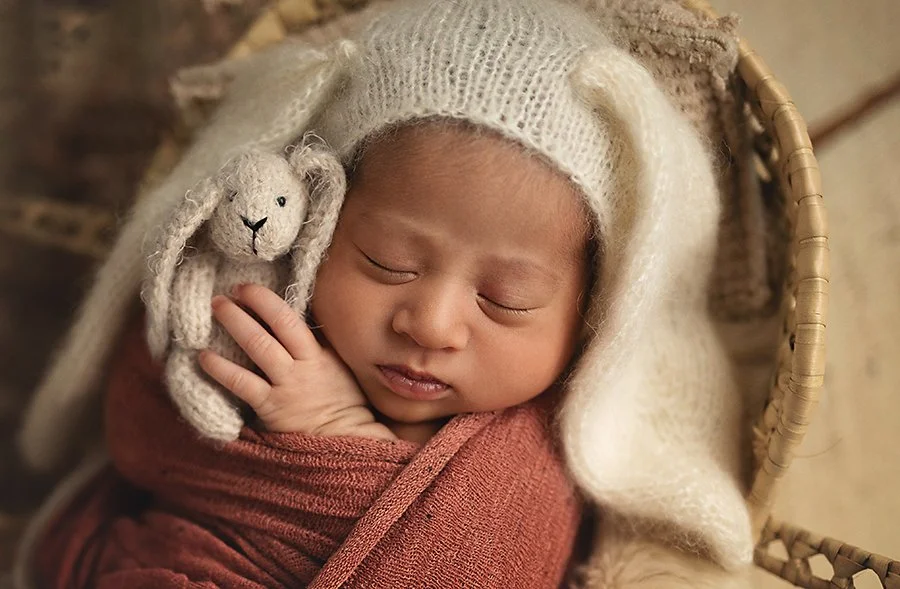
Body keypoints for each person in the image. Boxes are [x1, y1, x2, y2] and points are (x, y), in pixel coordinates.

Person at [13, 0, 755, 587]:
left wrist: (338, 433)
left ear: (595, 315)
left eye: (506, 299)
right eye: (388, 263)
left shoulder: (546, 451)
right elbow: (143, 415)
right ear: (318, 220)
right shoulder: (256, 312)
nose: (430, 324)